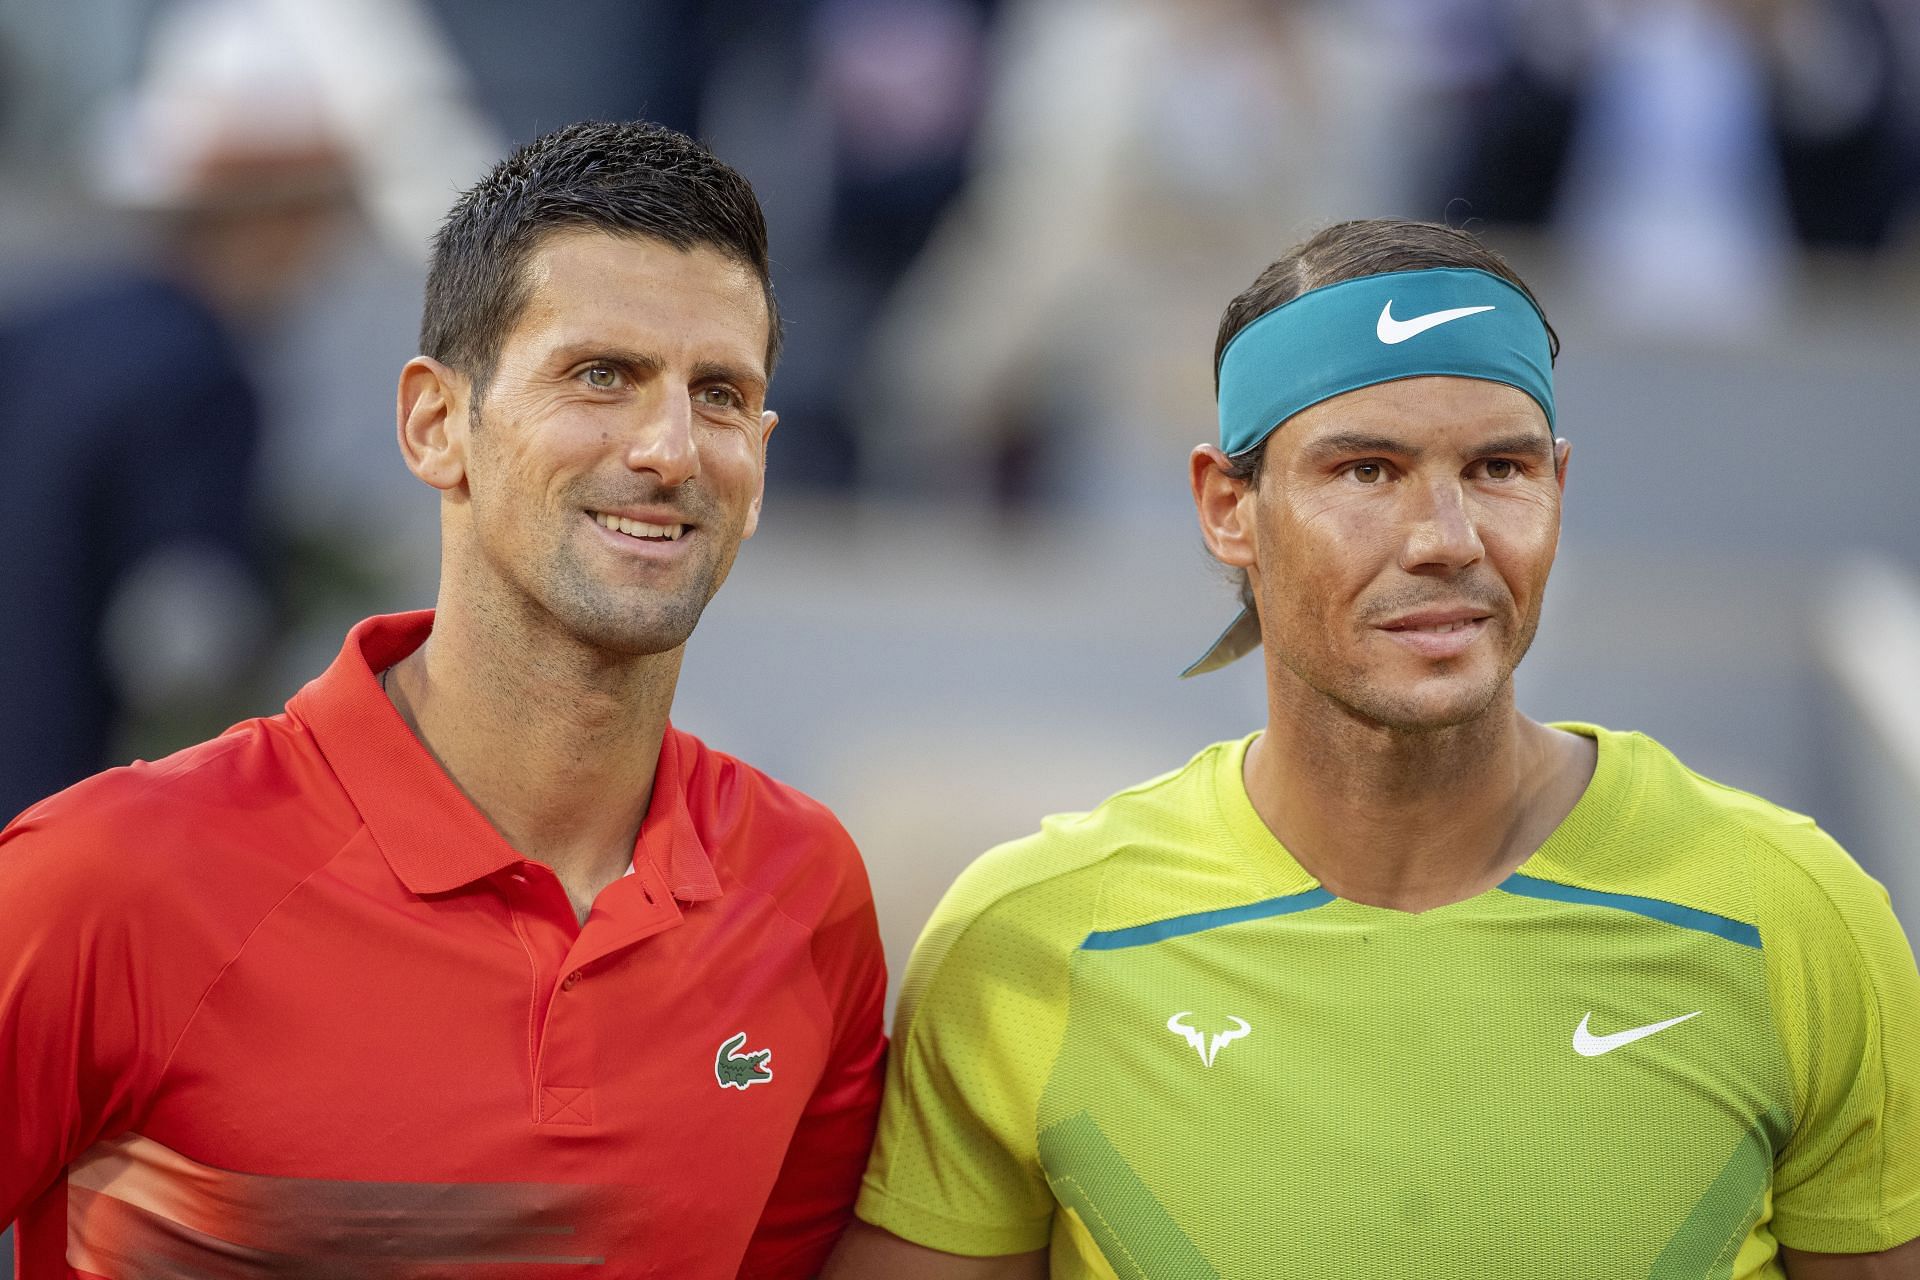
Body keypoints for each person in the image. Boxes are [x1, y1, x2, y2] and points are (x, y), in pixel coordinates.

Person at [827, 219, 1920, 1277]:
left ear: (1558, 487)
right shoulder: (1027, 942)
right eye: (1366, 470)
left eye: (1500, 468)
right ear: (1227, 507)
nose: (1447, 537)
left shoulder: (1793, 914)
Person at [0, 120, 887, 1278]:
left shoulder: (803, 891)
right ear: (435, 423)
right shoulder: (110, 878)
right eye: (601, 375)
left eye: (718, 393)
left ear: (760, 459)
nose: (671, 447)